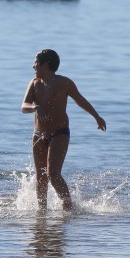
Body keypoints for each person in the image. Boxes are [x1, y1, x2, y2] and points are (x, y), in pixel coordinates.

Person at [21, 49, 106, 211]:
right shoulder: (34, 83)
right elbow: (24, 107)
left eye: (36, 63)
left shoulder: (64, 83)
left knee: (53, 173)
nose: (33, 66)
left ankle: (68, 207)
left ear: (45, 65)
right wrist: (35, 107)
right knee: (41, 176)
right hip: (39, 135)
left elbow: (80, 100)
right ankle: (42, 212)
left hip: (59, 133)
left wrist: (97, 117)